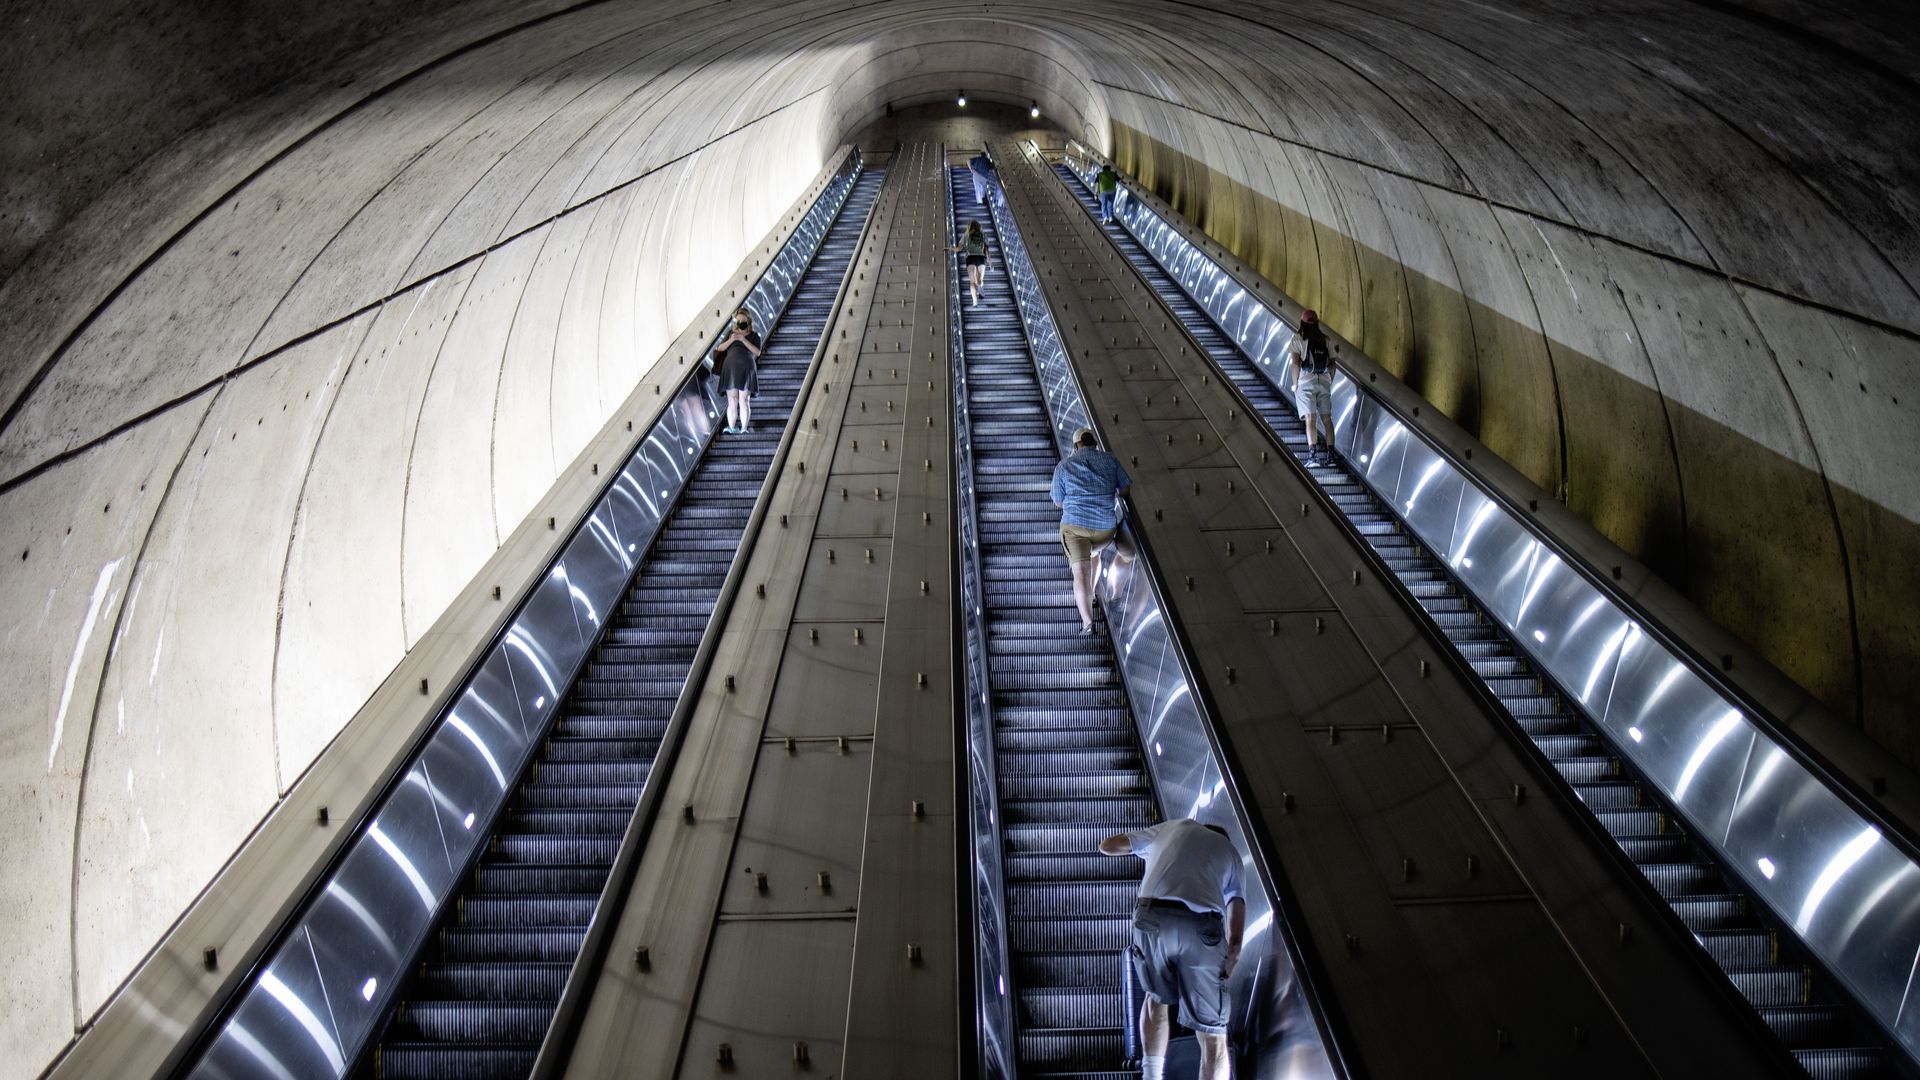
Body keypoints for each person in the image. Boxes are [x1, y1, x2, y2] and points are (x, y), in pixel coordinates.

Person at [1099, 819, 1245, 1080]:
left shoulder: (1172, 828)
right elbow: (1235, 921)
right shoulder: (1230, 853)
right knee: (1213, 1033)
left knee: (1156, 999)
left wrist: (1144, 850)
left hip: (1153, 916)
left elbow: (1108, 846)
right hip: (1202, 926)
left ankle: (1151, 1075)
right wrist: (1227, 965)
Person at [1049, 427, 1130, 635]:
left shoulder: (1064, 466)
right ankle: (1092, 593)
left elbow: (1058, 502)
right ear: (1094, 442)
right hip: (1105, 530)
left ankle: (1087, 622)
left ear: (1076, 445)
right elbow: (1125, 489)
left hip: (1075, 530)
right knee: (1094, 554)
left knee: (1080, 572)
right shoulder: (1110, 460)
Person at [1286, 309, 1336, 465]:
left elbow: (1295, 363)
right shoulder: (1326, 340)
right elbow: (1333, 365)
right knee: (1327, 419)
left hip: (1306, 382)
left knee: (1310, 419)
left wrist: (1296, 384)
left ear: (1302, 322)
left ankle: (1313, 456)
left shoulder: (1297, 339)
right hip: (1324, 382)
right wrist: (1329, 382)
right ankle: (1331, 456)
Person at [712, 308, 762, 433]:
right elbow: (719, 348)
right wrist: (732, 339)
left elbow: (757, 352)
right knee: (732, 400)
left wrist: (743, 339)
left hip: (747, 369)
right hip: (730, 369)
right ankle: (731, 427)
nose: (740, 323)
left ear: (748, 321)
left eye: (743, 321)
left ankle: (744, 428)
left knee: (743, 400)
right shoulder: (730, 333)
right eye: (738, 321)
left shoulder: (754, 335)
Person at [949, 221, 993, 308]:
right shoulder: (983, 234)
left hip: (970, 257)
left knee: (972, 282)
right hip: (981, 257)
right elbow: (987, 249)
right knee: (980, 279)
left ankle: (975, 301)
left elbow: (959, 248)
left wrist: (950, 249)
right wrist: (991, 264)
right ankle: (980, 286)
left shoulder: (967, 234)